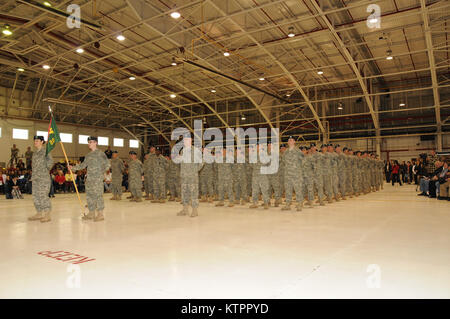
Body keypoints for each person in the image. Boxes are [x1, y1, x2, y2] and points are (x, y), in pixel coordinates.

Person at [69, 136, 110, 222]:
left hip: (97, 179)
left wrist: (100, 173)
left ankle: (100, 214)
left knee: (98, 195)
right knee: (90, 196)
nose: (89, 144)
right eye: (88, 142)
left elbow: (107, 164)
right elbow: (83, 165)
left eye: (91, 142)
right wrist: (72, 168)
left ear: (96, 143)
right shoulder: (88, 155)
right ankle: (91, 213)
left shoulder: (100, 153)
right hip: (89, 179)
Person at [28, 136, 53, 222]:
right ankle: (39, 213)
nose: (35, 142)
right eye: (35, 141)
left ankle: (47, 214)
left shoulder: (46, 151)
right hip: (35, 178)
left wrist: (44, 170)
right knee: (35, 196)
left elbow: (50, 162)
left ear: (42, 142)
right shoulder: (34, 153)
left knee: (43, 195)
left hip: (43, 178)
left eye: (37, 141)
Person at [177, 137, 203, 217]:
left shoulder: (195, 150)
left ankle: (195, 210)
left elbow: (201, 162)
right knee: (184, 193)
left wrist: (195, 171)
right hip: (184, 176)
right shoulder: (182, 151)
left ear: (191, 141)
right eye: (184, 141)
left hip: (192, 176)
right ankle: (185, 209)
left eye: (187, 141)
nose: (185, 142)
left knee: (193, 193)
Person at [281, 136, 304, 211]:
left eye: (291, 140)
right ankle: (288, 204)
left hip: (296, 174)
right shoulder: (285, 152)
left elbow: (303, 161)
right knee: (288, 189)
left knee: (298, 189)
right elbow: (284, 161)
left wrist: (298, 170)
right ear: (288, 142)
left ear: (294, 142)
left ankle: (299, 204)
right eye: (289, 140)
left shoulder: (298, 151)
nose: (290, 141)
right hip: (287, 174)